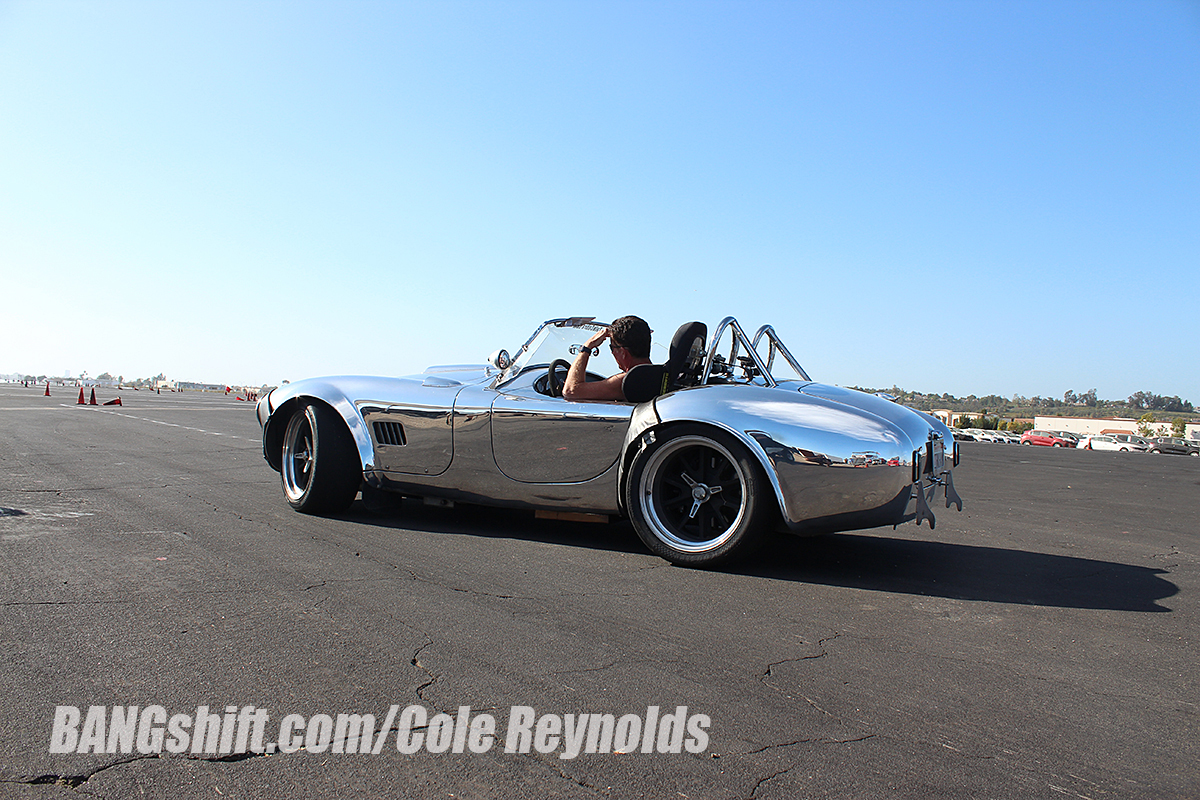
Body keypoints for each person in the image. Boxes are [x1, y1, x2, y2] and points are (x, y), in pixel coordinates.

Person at [562, 315, 653, 402]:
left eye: (612, 347)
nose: (612, 352)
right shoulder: (658, 375)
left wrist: (587, 347)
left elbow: (571, 391)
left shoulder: (629, 380)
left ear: (623, 352)